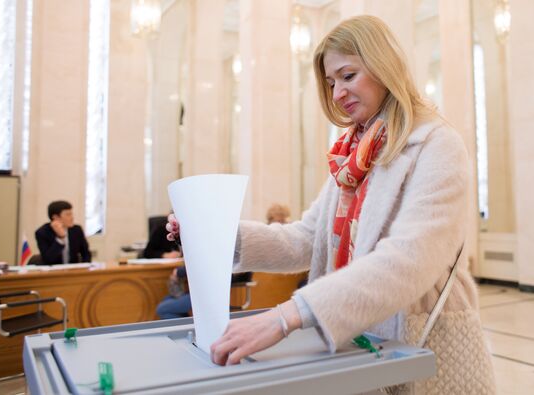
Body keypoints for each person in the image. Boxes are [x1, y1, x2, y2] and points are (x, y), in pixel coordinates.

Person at [168, 16, 496, 394]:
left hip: (422, 346)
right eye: (331, 82)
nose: (338, 92)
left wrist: (287, 316)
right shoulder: (352, 155)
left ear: (383, 65)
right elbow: (307, 239)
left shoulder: (437, 144)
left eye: (348, 75)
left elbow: (410, 259)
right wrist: (219, 236)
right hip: (357, 338)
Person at [35, 200, 91, 265]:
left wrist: (85, 268)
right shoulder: (42, 233)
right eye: (68, 215)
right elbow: (48, 259)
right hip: (53, 272)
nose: (72, 217)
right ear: (55, 217)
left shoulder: (77, 230)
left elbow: (86, 254)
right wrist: (60, 238)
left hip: (74, 271)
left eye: (71, 214)